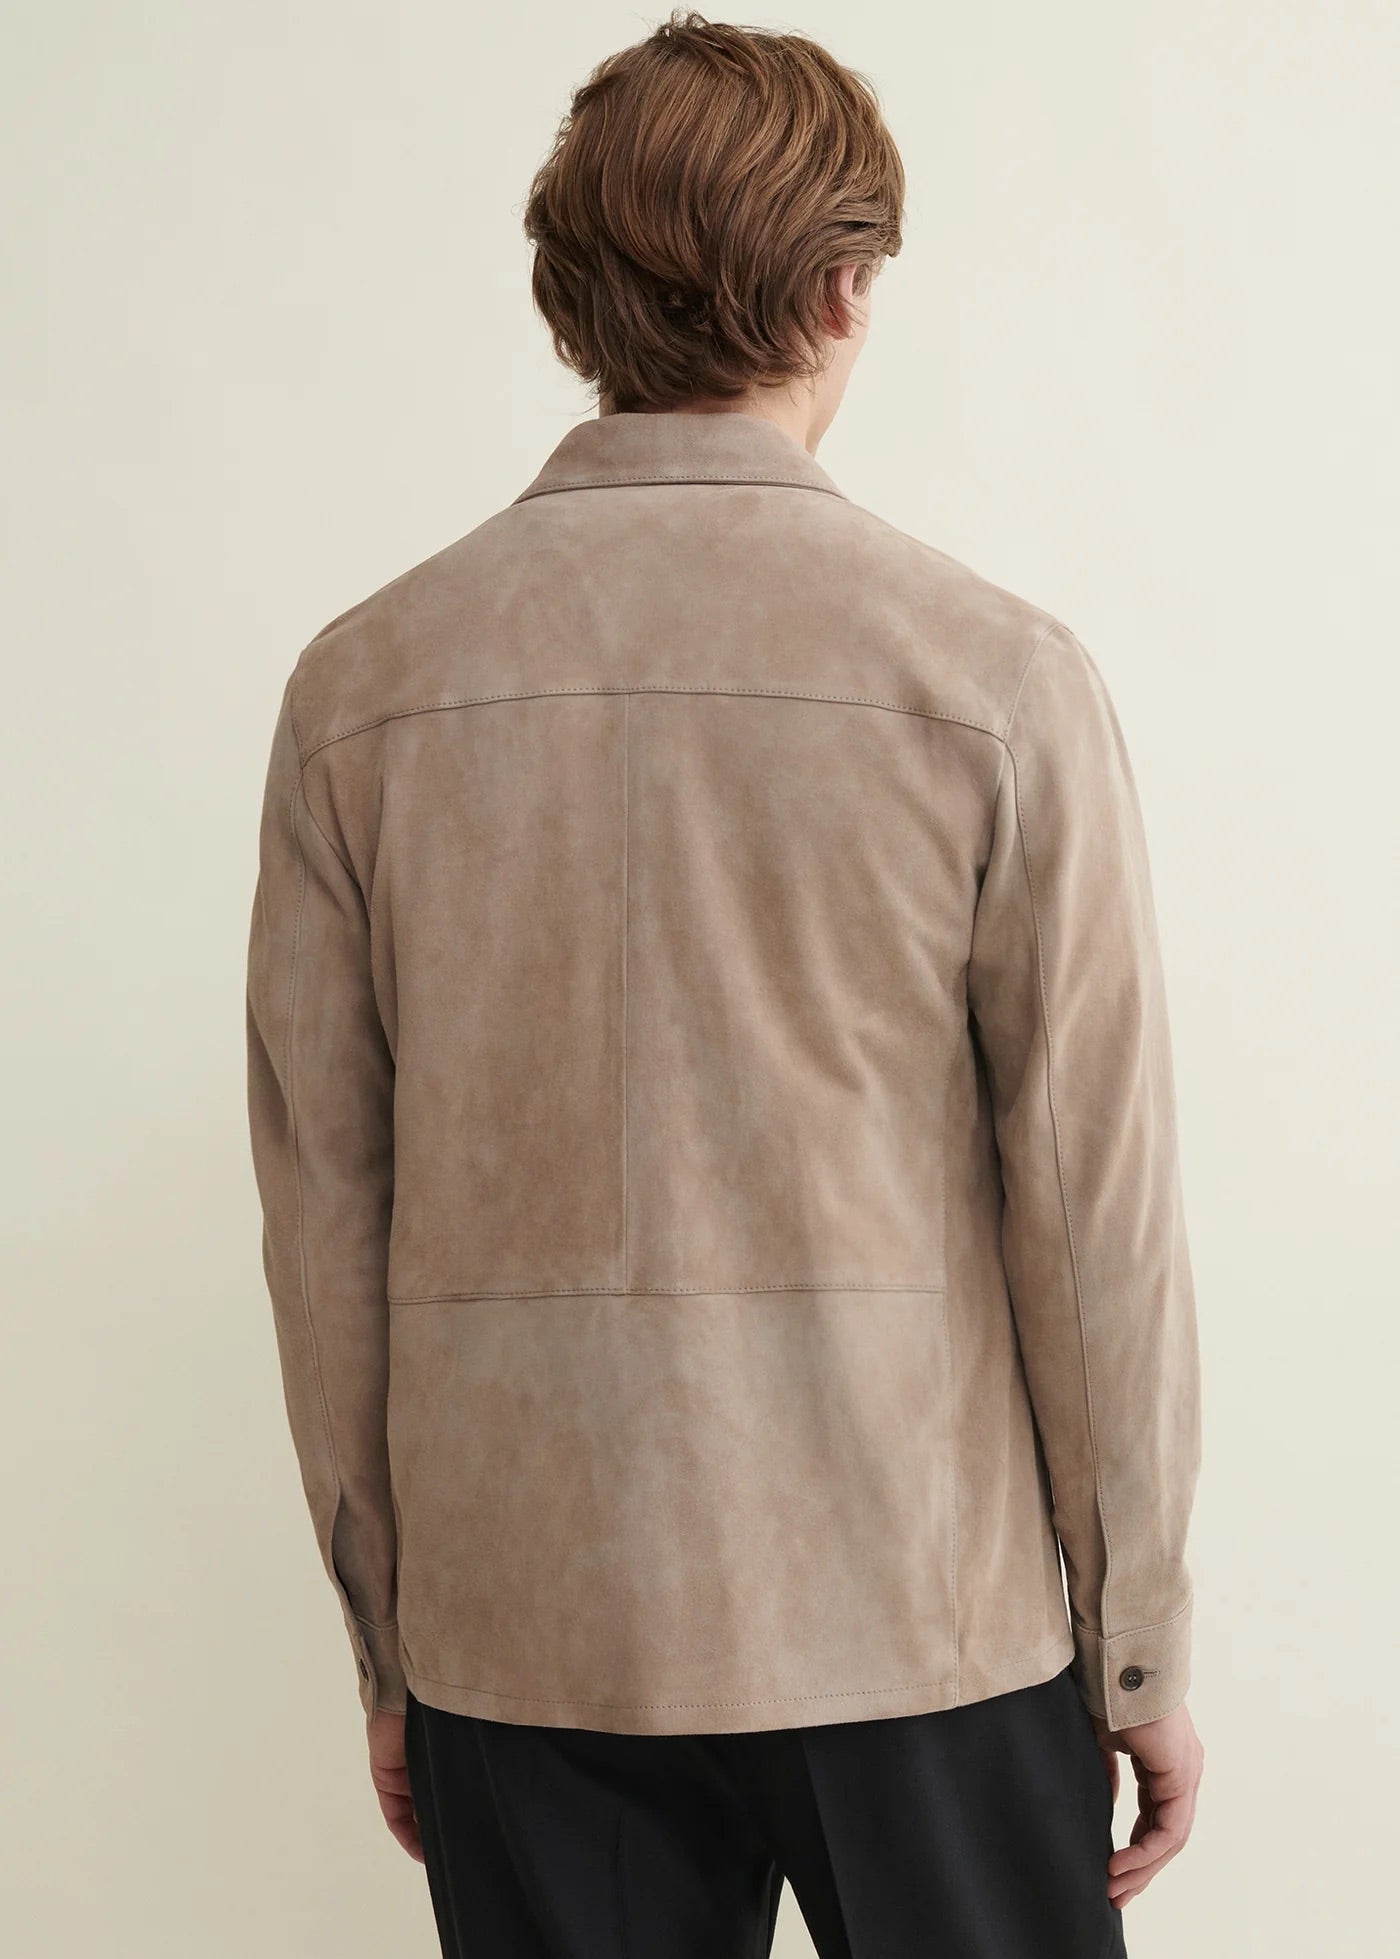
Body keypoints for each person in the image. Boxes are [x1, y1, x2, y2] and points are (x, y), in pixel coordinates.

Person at [245, 13, 1204, 1956]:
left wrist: (393, 1638)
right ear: (843, 288)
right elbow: (1089, 1215)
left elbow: (325, 1218)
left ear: (571, 300)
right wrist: (1138, 1640)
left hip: (529, 1625)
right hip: (920, 1618)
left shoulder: (362, 692)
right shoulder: (990, 680)